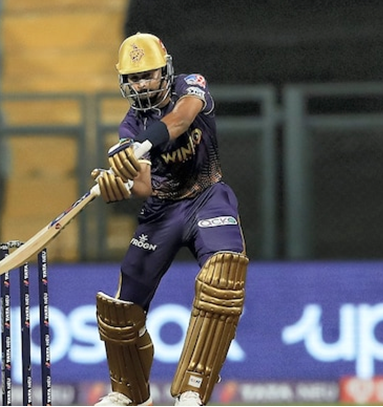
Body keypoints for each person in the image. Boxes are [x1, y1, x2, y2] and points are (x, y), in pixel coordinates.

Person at [92, 33, 249, 406]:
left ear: (164, 71)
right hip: (162, 210)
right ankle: (129, 394)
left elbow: (181, 118)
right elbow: (145, 185)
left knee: (223, 276)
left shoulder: (190, 86)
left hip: (207, 197)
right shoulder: (129, 126)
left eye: (147, 75)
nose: (140, 84)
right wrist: (120, 185)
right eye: (133, 78)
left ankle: (193, 389)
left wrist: (140, 146)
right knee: (120, 310)